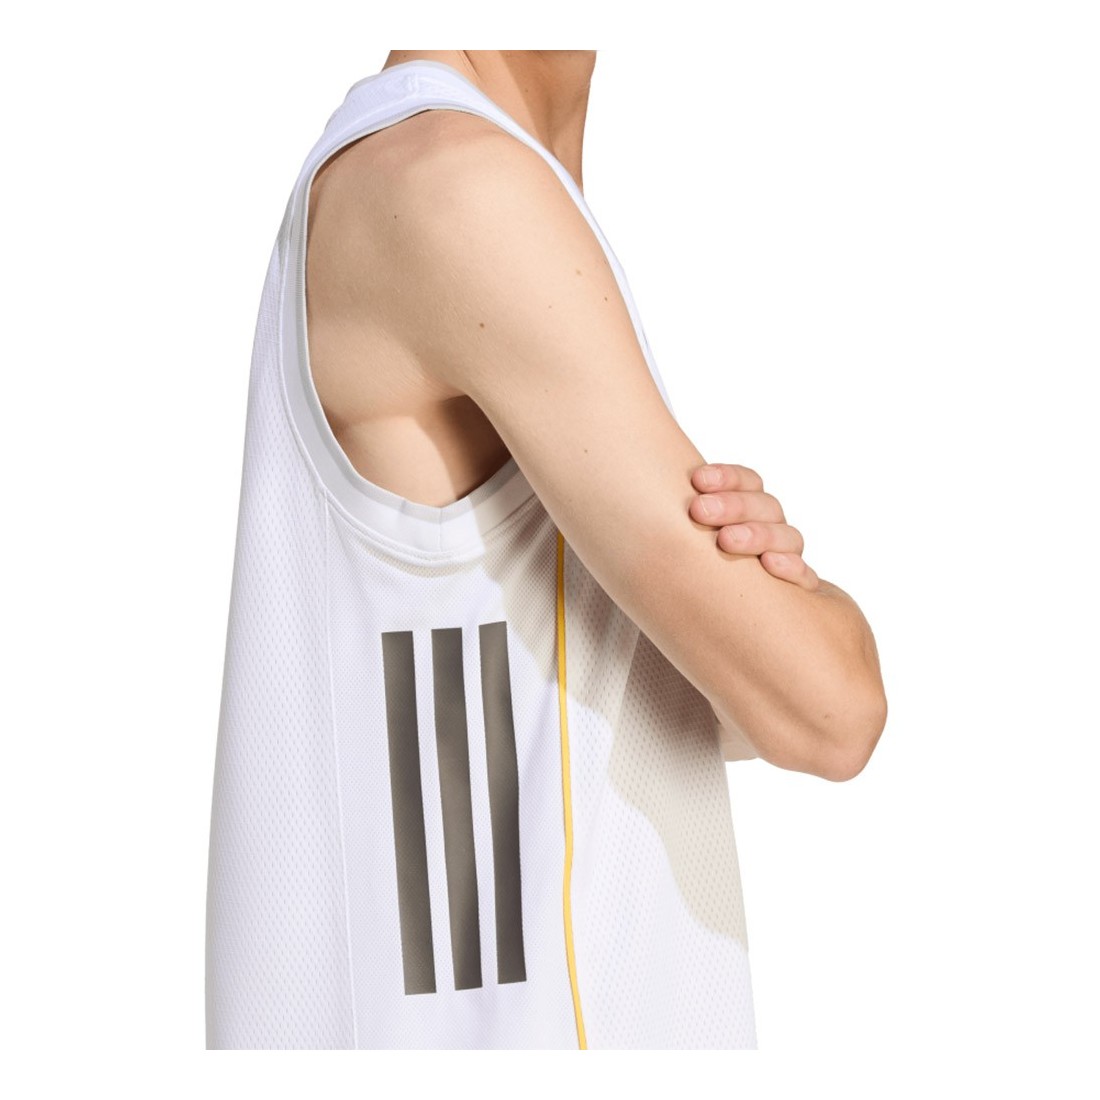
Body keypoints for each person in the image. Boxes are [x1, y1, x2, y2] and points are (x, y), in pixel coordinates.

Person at [205, 48, 887, 1050]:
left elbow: (644, 700)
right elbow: (831, 711)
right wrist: (805, 606)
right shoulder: (459, 189)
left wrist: (732, 620)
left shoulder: (444, 174)